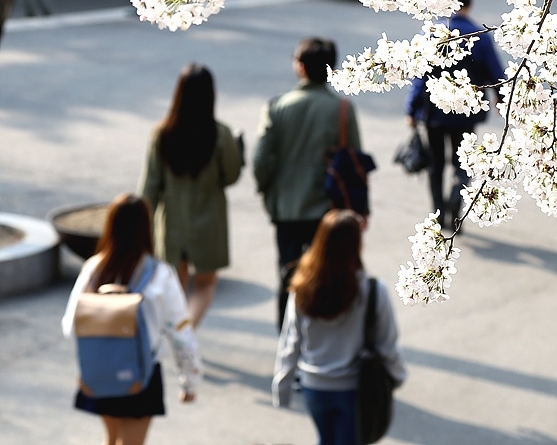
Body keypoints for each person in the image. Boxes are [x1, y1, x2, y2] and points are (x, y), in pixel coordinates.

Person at [61, 194, 202, 445]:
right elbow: (181, 333)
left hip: (100, 372)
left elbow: (71, 324)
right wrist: (189, 382)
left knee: (111, 439)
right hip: (141, 376)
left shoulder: (95, 268)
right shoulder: (161, 274)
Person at [253, 37, 364, 330]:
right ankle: (321, 335)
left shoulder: (277, 106)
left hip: (286, 207)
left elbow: (261, 160)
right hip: (326, 209)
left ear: (300, 67)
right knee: (327, 272)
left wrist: (269, 191)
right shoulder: (341, 108)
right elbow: (355, 163)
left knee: (288, 274)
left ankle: (287, 336)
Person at [272, 209, 406, 445]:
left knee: (325, 439)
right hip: (354, 389)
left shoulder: (302, 289)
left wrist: (282, 386)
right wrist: (397, 376)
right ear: (357, 244)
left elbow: (290, 341)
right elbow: (387, 343)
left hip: (314, 387)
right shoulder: (373, 291)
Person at [138, 63, 244, 328]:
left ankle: (180, 333)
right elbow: (230, 176)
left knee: (175, 289)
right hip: (208, 223)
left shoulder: (162, 133)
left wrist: (143, 229)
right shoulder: (220, 134)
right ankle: (187, 332)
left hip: (172, 224)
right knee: (205, 286)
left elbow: (149, 186)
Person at [405, 0, 505, 231]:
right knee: (463, 162)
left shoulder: (431, 34)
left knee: (436, 164)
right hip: (467, 111)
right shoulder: (479, 35)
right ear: (469, 5)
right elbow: (495, 71)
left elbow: (419, 78)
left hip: (433, 111)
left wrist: (411, 109)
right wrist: (499, 98)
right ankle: (456, 201)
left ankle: (438, 214)